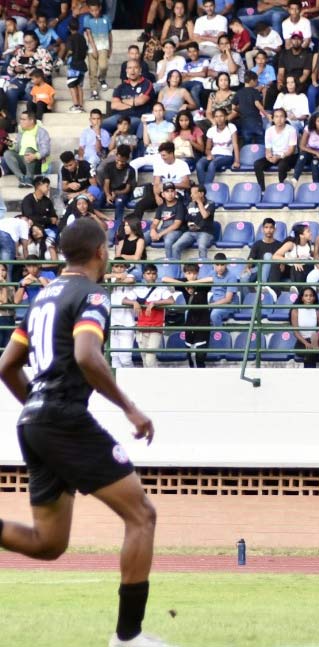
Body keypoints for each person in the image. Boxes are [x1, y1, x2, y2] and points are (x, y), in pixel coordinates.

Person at [0, 219, 167, 647]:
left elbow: (6, 366)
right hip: (62, 418)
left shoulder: (40, 299)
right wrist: (130, 408)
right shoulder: (92, 295)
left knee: (48, 543)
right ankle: (128, 638)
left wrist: (38, 411)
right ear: (100, 252)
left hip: (34, 421)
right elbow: (87, 356)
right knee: (141, 515)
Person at [3, 111, 50, 188]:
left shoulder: (41, 132)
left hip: (37, 164)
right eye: (20, 119)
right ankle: (21, 178)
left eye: (23, 119)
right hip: (23, 162)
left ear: (31, 121)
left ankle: (29, 178)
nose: (20, 121)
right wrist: (10, 144)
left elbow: (46, 150)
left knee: (29, 150)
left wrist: (35, 156)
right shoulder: (21, 133)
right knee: (7, 153)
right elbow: (17, 149)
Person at [255, 108, 299, 190]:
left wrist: (279, 157)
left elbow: (291, 150)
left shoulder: (291, 130)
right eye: (276, 117)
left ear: (285, 118)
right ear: (273, 118)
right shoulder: (269, 131)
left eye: (281, 116)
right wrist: (269, 156)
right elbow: (268, 148)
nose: (279, 119)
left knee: (282, 166)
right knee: (257, 164)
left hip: (288, 156)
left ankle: (283, 189)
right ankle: (262, 190)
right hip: (275, 155)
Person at [290, 285, 319, 368]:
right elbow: (296, 332)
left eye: (311, 296)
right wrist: (306, 343)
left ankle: (317, 347)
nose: (309, 298)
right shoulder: (295, 311)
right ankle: (318, 349)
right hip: (301, 342)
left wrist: (317, 340)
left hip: (314, 340)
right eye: (306, 296)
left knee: (311, 352)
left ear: (314, 298)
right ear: (302, 298)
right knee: (311, 352)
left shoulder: (316, 311)